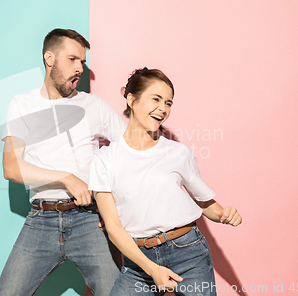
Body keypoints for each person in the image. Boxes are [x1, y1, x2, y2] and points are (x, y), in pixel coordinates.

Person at [0, 28, 126, 296]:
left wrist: (113, 206)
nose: (79, 68)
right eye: (72, 59)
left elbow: (131, 154)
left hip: (88, 220)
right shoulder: (22, 105)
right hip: (40, 222)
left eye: (82, 62)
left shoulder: (95, 106)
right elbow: (11, 167)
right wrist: (67, 177)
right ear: (49, 58)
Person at [89, 68, 242, 296]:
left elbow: (205, 203)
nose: (163, 109)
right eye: (156, 99)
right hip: (138, 262)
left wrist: (224, 214)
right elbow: (112, 227)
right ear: (131, 99)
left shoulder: (179, 153)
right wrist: (152, 269)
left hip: (188, 253)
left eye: (169, 103)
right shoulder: (104, 159)